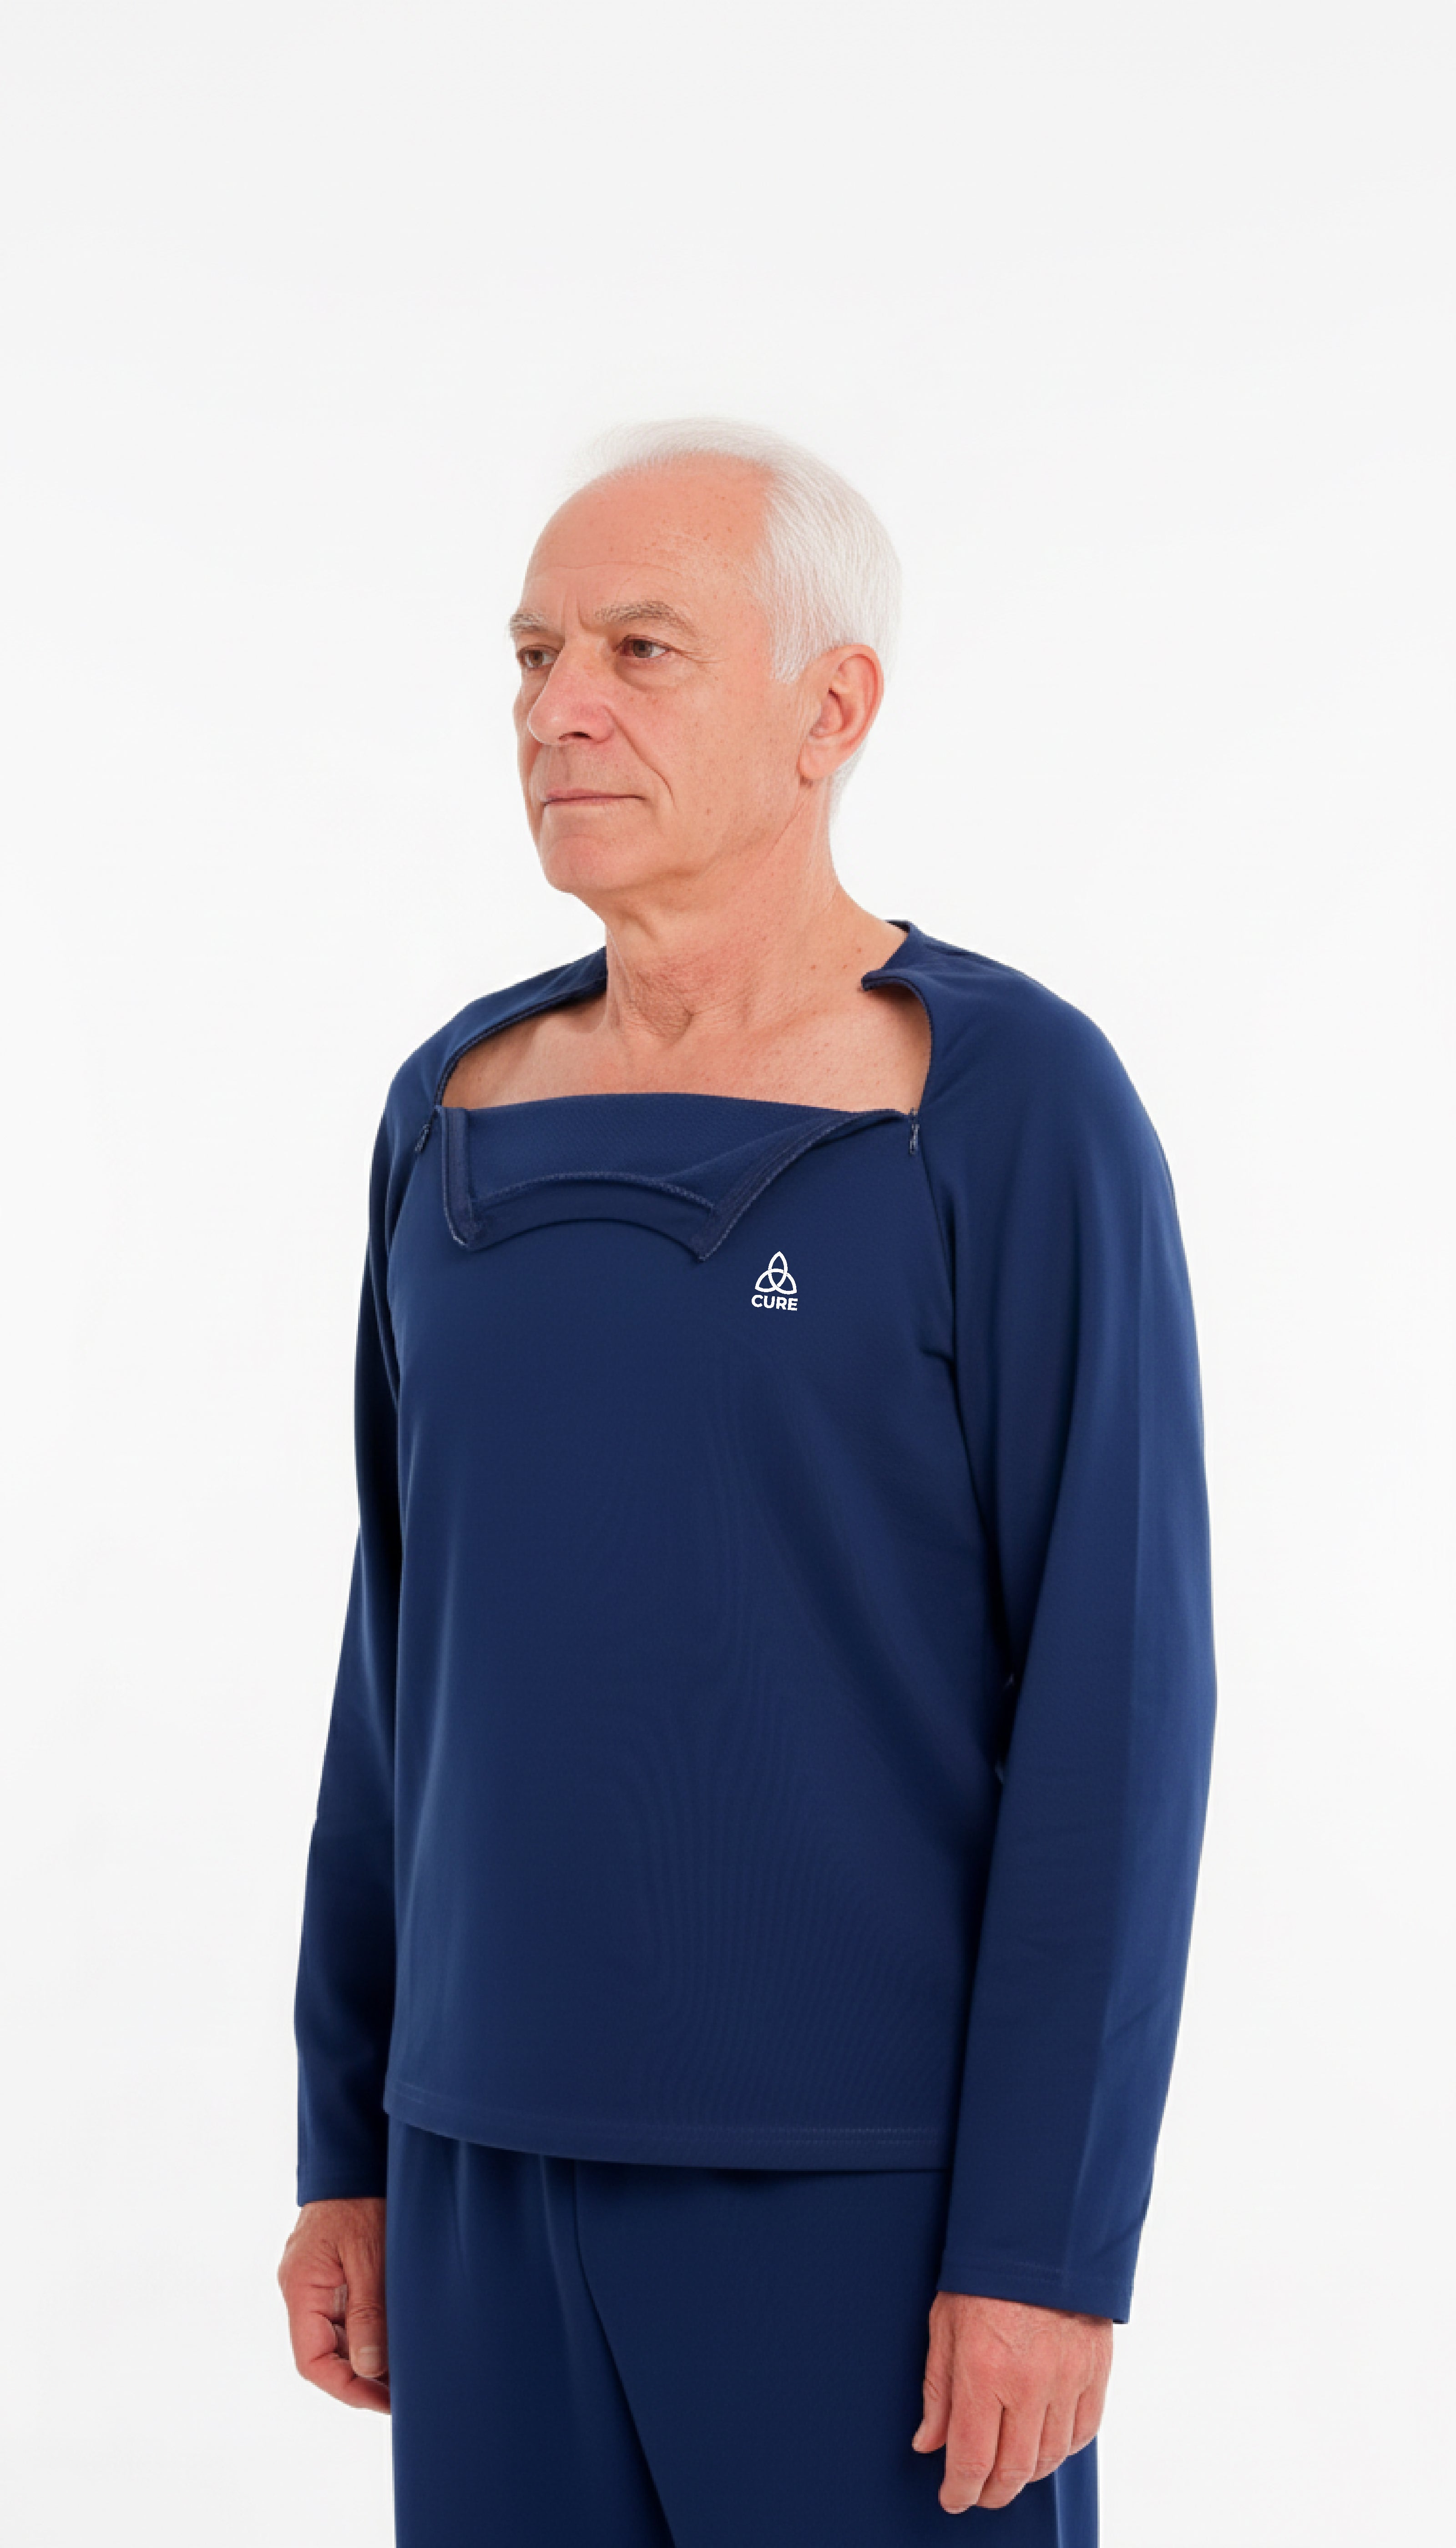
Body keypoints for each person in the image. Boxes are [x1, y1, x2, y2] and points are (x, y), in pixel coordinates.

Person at [276, 418, 1217, 2548]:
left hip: (865, 2198)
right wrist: (347, 2130)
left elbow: (1115, 1701)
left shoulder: (1002, 1104)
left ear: (829, 707)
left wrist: (1046, 2240)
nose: (558, 708)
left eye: (639, 648)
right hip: (477, 2166)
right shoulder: (450, 1102)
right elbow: (399, 1655)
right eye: (530, 655)